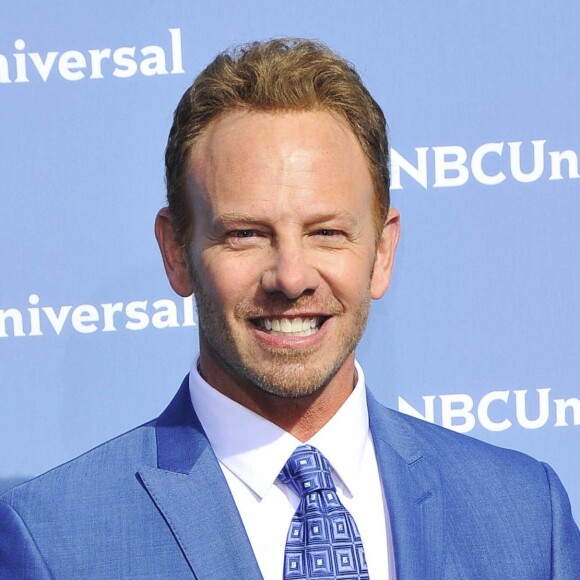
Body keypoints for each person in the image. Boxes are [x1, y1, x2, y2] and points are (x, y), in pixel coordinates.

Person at [0, 38, 578, 579]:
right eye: (247, 233)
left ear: (382, 251)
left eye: (326, 232)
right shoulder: (56, 539)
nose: (292, 277)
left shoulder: (527, 516)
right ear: (177, 252)